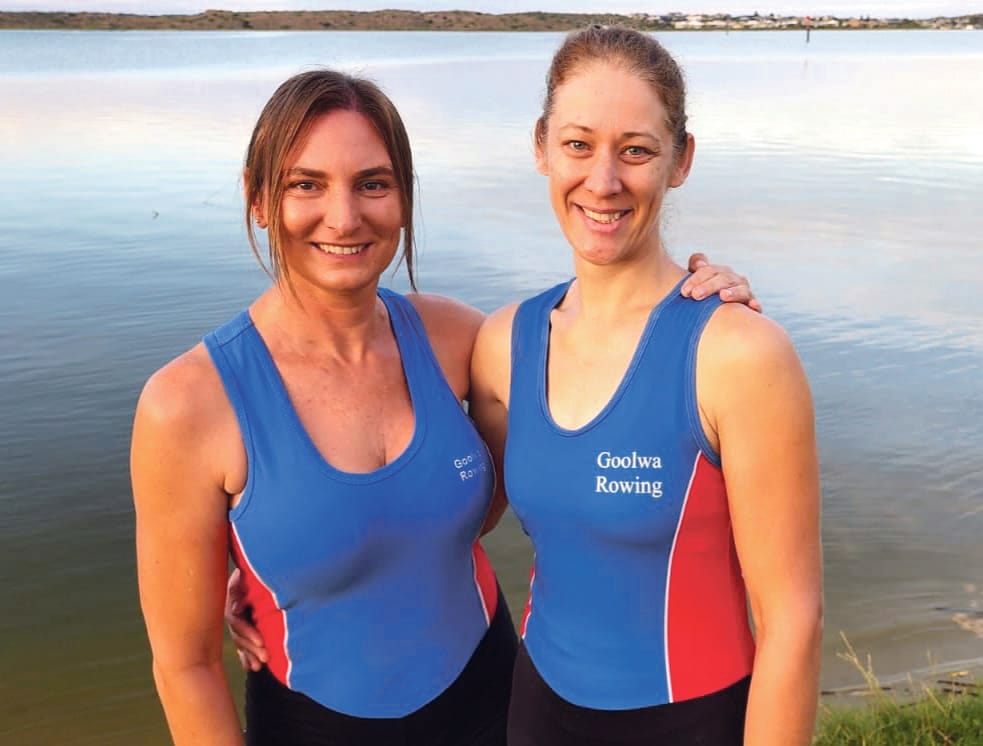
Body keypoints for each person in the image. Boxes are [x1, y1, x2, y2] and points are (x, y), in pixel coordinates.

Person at [132, 68, 755, 746]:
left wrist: (705, 299)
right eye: (304, 184)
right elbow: (186, 665)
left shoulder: (458, 338)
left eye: (374, 183)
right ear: (257, 200)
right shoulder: (188, 403)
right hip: (312, 724)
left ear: (402, 198)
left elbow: (602, 352)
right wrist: (278, 564)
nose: (344, 217)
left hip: (494, 700)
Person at [468, 27, 824, 746]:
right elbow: (450, 516)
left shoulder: (738, 355)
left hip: (691, 719)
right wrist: (262, 571)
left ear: (680, 160)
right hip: (538, 707)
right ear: (541, 146)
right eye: (577, 144)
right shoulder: (502, 344)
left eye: (635, 149)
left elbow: (791, 620)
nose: (602, 181)